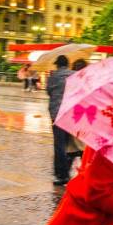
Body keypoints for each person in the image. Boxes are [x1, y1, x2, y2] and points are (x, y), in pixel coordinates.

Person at [45, 54, 74, 186]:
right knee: (69, 145)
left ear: (57, 65)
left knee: (59, 145)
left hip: (57, 114)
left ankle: (61, 175)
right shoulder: (74, 75)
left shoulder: (52, 77)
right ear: (67, 64)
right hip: (71, 113)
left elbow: (49, 92)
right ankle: (67, 172)